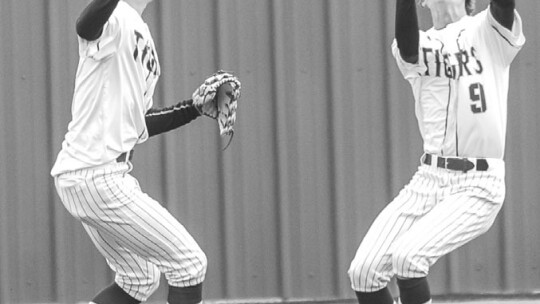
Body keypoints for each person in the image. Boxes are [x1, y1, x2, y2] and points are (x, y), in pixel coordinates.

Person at [347, 0, 525, 303]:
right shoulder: (422, 44)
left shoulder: (488, 30)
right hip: (429, 179)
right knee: (364, 272)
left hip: (478, 184)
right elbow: (407, 46)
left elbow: (504, 6)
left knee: (408, 258)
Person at [51, 0, 212, 303]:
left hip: (94, 174)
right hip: (97, 174)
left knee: (139, 278)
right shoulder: (115, 15)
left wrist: (193, 109)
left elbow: (137, 126)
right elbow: (85, 27)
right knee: (190, 264)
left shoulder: (143, 37)